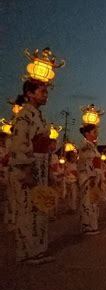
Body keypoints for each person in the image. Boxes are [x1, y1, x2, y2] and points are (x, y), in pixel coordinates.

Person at [8, 80, 54, 264]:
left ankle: (37, 249)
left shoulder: (38, 116)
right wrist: (26, 170)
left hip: (39, 166)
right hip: (28, 167)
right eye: (42, 91)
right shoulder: (24, 116)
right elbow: (19, 144)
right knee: (27, 209)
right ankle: (26, 252)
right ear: (29, 93)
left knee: (39, 207)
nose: (45, 95)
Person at [77, 123, 101, 235]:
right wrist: (91, 176)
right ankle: (86, 226)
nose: (96, 134)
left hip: (93, 176)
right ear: (87, 133)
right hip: (87, 177)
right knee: (87, 201)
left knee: (93, 201)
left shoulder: (92, 146)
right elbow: (87, 161)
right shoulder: (85, 145)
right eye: (94, 132)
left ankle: (92, 225)